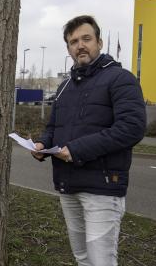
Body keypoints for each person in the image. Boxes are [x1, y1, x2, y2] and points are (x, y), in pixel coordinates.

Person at [31, 15, 146, 266]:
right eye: (74, 41)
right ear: (68, 49)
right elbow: (53, 127)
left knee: (101, 261)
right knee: (82, 258)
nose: (80, 45)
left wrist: (75, 150)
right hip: (67, 184)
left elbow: (131, 128)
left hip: (103, 188)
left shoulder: (121, 79)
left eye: (86, 39)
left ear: (100, 43)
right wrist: (41, 144)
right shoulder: (64, 86)